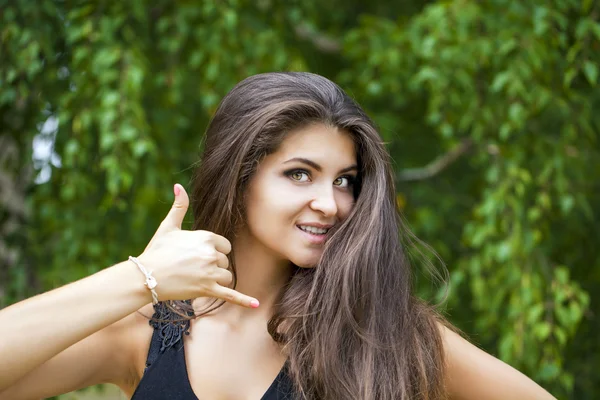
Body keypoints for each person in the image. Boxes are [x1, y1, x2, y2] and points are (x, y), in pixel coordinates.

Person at [0, 72, 555, 400]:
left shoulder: (386, 330)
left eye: (346, 181)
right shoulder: (144, 332)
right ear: (238, 177)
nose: (332, 202)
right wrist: (140, 279)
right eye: (300, 174)